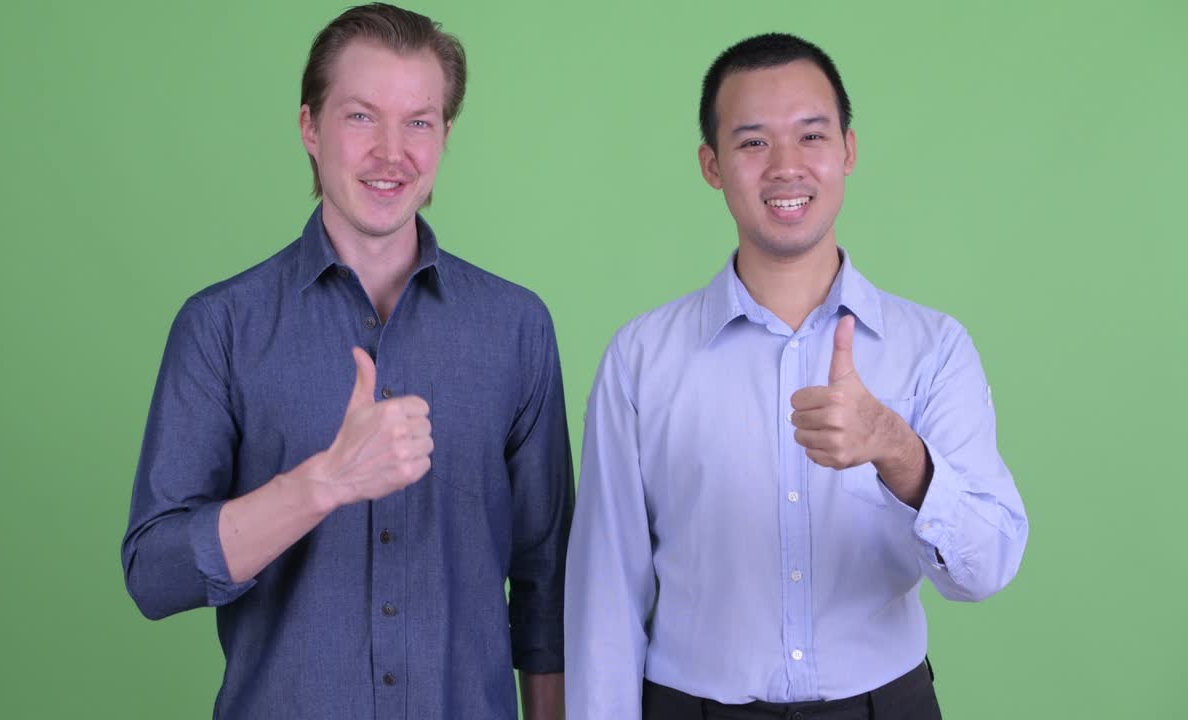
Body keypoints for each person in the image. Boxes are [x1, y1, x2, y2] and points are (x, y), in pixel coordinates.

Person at [121, 5, 572, 718]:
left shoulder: (516, 328)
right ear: (310, 126)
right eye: (361, 116)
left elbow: (546, 582)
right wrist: (322, 484)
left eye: (419, 121)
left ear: (446, 135)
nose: (392, 153)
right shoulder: (221, 327)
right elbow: (155, 574)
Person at [565, 32, 1028, 720]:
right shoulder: (642, 357)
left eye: (811, 136)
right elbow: (606, 592)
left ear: (848, 149)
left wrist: (898, 450)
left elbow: (985, 570)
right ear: (712, 164)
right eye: (752, 142)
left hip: (884, 706)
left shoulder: (933, 347)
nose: (785, 167)